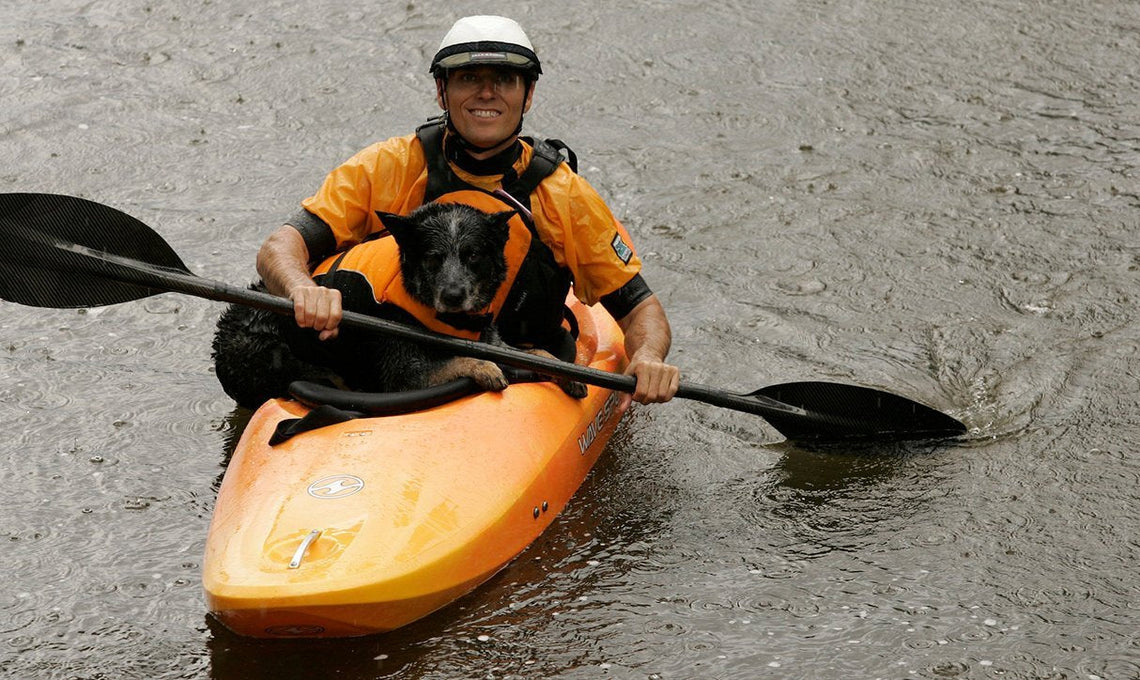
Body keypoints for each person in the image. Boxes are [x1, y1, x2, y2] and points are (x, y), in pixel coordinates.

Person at [255, 15, 679, 408]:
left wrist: (647, 356)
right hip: (399, 365)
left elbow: (641, 310)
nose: (486, 93)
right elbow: (281, 247)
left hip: (522, 374)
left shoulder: (564, 195)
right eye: (468, 78)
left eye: (505, 80)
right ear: (442, 91)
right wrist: (300, 290)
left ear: (527, 94)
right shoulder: (389, 166)